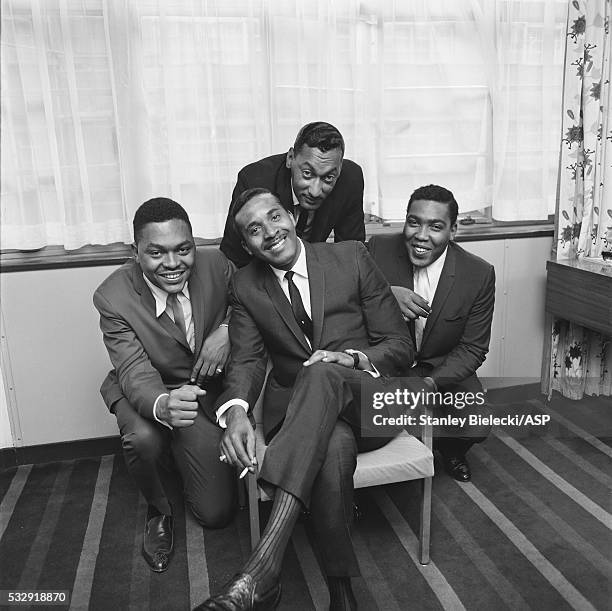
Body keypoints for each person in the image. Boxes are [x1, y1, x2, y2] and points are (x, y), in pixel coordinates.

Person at [196, 188, 431, 611]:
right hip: (308, 419)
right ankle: (342, 594)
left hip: (370, 402)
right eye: (254, 229)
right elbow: (247, 361)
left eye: (273, 217)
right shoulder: (247, 286)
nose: (269, 232)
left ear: (291, 214)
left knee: (322, 372)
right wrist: (234, 412)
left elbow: (400, 346)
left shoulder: (350, 257)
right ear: (246, 244)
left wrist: (351, 358)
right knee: (333, 446)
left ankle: (261, 571)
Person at [93, 198, 236, 573]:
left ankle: (178, 451)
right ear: (135, 252)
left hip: (202, 391)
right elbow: (134, 370)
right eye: (156, 253)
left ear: (193, 244)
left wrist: (226, 330)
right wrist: (162, 405)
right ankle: (159, 510)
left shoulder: (217, 265)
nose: (172, 264)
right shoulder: (112, 296)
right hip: (144, 390)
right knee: (143, 439)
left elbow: (250, 301)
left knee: (217, 513)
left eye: (182, 250)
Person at [368, 184, 495, 482]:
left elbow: (474, 348)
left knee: (478, 423)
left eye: (436, 226)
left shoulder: (478, 273)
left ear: (453, 230)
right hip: (389, 368)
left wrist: (430, 383)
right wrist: (386, 294)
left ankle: (450, 448)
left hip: (439, 370)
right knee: (367, 423)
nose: (421, 235)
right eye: (414, 222)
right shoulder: (377, 249)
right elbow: (346, 299)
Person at [219, 121, 365, 267]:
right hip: (265, 276)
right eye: (307, 174)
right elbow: (234, 259)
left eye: (328, 178)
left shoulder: (350, 179)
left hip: (314, 272)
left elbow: (352, 254)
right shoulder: (254, 180)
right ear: (290, 158)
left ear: (339, 169)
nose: (315, 191)